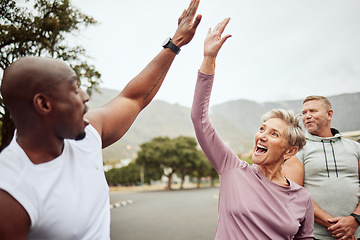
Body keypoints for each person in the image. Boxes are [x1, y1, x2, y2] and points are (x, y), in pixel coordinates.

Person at [0, 0, 202, 239]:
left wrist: (175, 42)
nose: (85, 97)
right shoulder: (10, 192)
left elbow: (133, 98)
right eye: (75, 89)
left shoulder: (87, 136)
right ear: (44, 104)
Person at [191, 18, 314, 239]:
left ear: (290, 151)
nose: (262, 136)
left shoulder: (302, 198)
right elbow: (199, 119)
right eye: (262, 129)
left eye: (274, 134)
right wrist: (209, 58)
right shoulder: (232, 169)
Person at [282, 95, 360, 240]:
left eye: (313, 111)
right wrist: (338, 228)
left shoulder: (356, 148)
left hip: (356, 233)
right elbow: (294, 194)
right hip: (315, 236)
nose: (307, 116)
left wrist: (355, 220)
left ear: (329, 114)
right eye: (304, 113)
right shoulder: (296, 151)